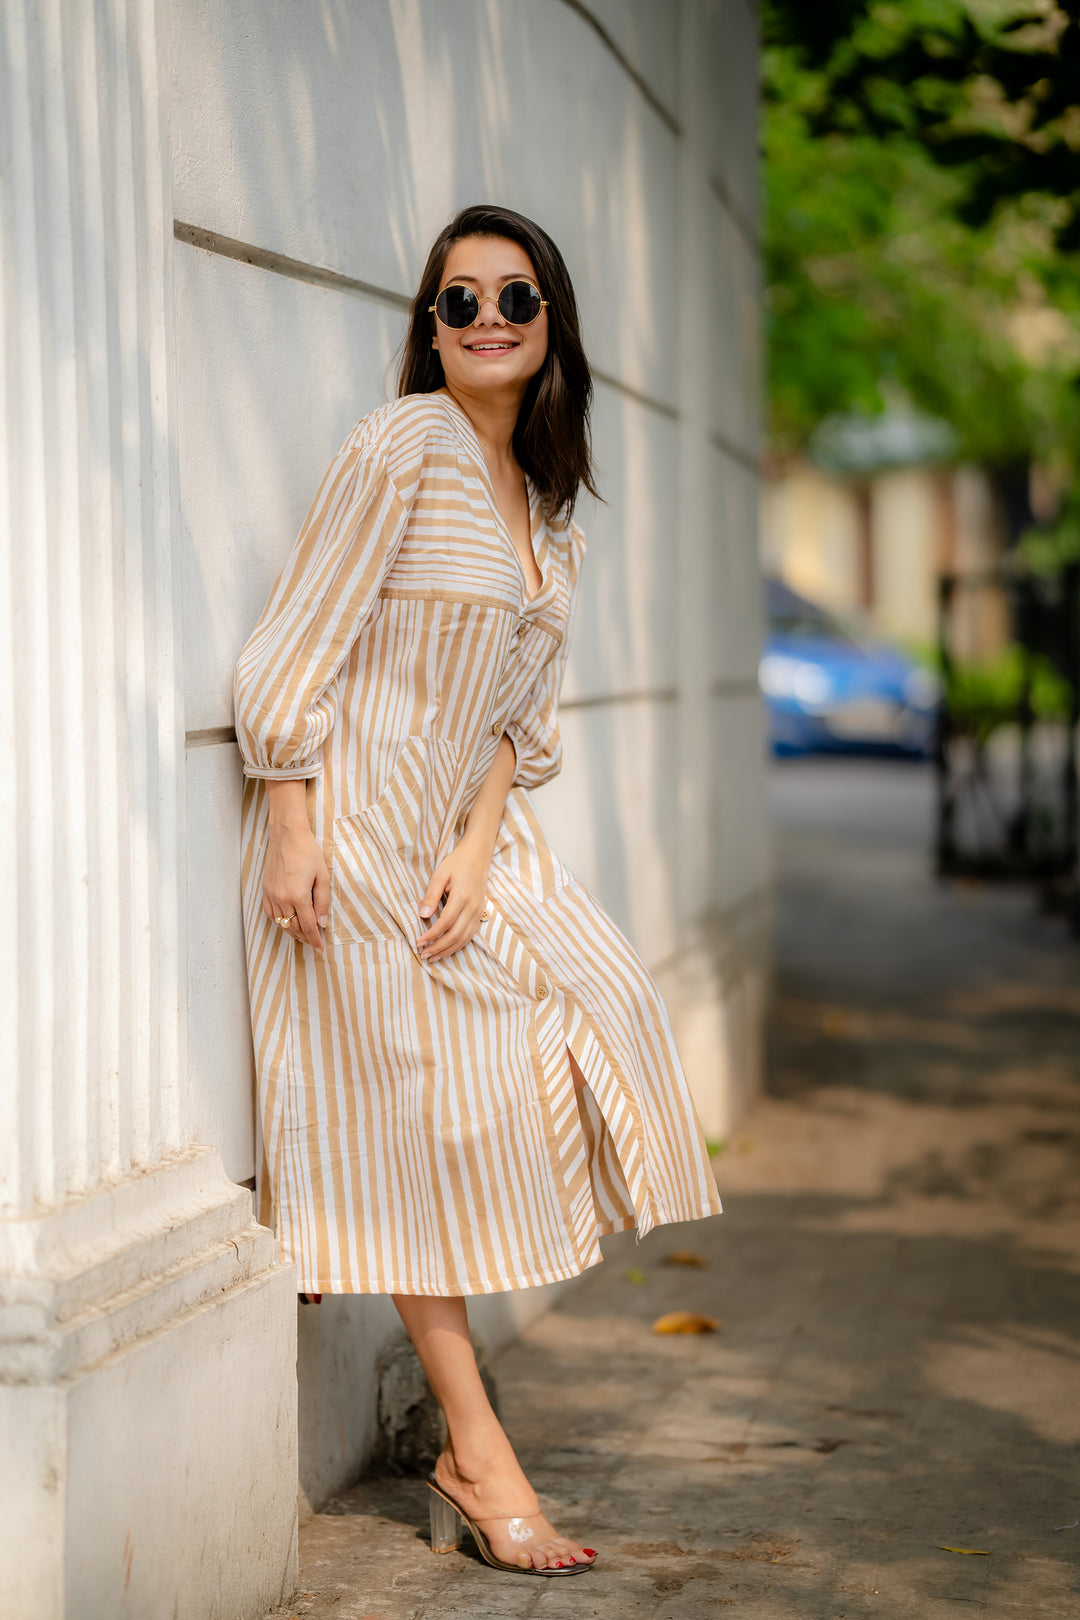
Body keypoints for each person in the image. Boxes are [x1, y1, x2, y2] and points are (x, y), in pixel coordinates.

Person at [234, 204, 722, 1577]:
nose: (488, 318)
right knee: (420, 1124)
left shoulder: (551, 509)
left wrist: (480, 830)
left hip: (464, 840)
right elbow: (295, 643)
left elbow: (523, 713)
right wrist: (288, 817)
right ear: (429, 327)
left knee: (605, 1003)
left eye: (515, 297)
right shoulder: (400, 449)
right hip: (347, 838)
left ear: (552, 320)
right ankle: (476, 1447)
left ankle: (451, 1401)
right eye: (459, 302)